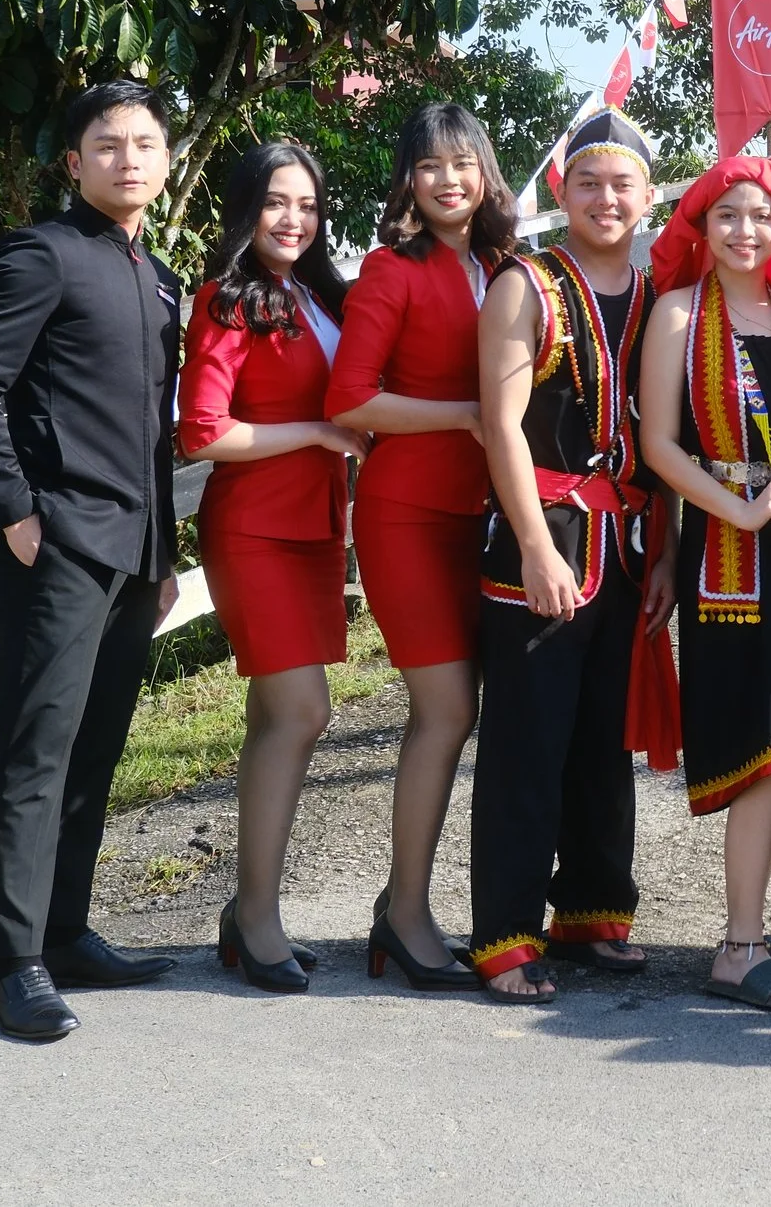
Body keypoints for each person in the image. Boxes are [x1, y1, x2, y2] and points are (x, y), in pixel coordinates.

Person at [0, 80, 184, 1041]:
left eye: (145, 144)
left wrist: (164, 552)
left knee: (95, 749)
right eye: (108, 143)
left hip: (133, 553)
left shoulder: (153, 273)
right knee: (34, 748)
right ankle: (15, 962)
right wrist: (14, 515)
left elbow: (150, 432)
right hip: (58, 545)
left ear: (163, 163)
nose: (129, 158)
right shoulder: (41, 255)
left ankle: (68, 931)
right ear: (75, 162)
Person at [467, 108, 676, 1002]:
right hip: (541, 539)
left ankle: (593, 910)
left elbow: (666, 442)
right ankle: (506, 933)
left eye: (622, 181)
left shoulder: (663, 290)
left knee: (602, 739)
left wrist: (663, 553)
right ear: (561, 189)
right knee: (526, 740)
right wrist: (531, 546)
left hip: (624, 547)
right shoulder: (528, 284)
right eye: (587, 181)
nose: (605, 196)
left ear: (648, 194)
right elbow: (499, 424)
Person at [639, 157, 771, 1013]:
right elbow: (661, 447)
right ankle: (738, 942)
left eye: (759, 215)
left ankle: (753, 922)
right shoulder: (677, 315)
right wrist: (739, 511)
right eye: (726, 215)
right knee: (763, 748)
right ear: (700, 227)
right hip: (729, 546)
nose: (744, 230)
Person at [327, 104, 510, 992]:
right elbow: (349, 399)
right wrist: (467, 416)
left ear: (485, 172)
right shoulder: (388, 271)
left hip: (488, 517)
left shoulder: (504, 267)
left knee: (465, 712)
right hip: (406, 515)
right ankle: (404, 913)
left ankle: (409, 907)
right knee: (446, 711)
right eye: (430, 166)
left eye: (463, 163)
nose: (448, 180)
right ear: (408, 178)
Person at [177, 142, 363, 993]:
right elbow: (204, 431)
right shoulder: (225, 298)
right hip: (255, 526)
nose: (294, 219)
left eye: (309, 205)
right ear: (247, 206)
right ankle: (256, 915)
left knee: (272, 718)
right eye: (277, 202)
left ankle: (248, 907)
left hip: (316, 526)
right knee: (303, 709)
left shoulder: (318, 295)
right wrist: (318, 433)